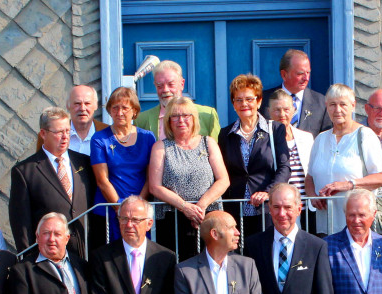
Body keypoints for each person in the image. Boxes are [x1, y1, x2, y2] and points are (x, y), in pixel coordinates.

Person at [147, 97, 229, 260]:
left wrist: (200, 206)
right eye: (175, 116)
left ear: (194, 119)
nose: (181, 120)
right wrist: (185, 207)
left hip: (208, 216)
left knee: (211, 263)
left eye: (186, 115)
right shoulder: (160, 147)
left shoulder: (209, 143)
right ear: (169, 121)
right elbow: (154, 186)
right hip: (173, 218)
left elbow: (223, 179)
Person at [305, 84, 382, 237]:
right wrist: (313, 197)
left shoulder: (365, 136)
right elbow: (309, 177)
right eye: (332, 105)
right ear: (326, 107)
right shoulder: (321, 139)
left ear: (353, 105)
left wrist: (349, 184)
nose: (337, 110)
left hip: (356, 226)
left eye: (343, 104)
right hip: (324, 224)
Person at [10, 107, 95, 258]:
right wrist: (30, 258)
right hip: (48, 254)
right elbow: (21, 222)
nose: (65, 137)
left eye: (68, 131)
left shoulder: (85, 163)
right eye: (58, 132)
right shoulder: (25, 171)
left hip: (86, 251)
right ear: (43, 133)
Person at [218, 74, 290, 238]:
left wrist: (269, 192)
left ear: (258, 101)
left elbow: (284, 167)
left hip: (265, 209)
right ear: (233, 104)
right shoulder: (225, 134)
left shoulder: (275, 129)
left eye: (249, 99)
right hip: (235, 210)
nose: (244, 104)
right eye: (238, 99)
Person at [90, 87, 156, 247]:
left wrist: (137, 208)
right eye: (115, 107)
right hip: (109, 211)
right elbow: (102, 180)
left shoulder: (147, 138)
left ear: (134, 111)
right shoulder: (100, 138)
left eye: (125, 108)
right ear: (109, 111)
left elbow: (150, 178)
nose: (119, 112)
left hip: (140, 212)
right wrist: (121, 210)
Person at [135, 60, 220, 141]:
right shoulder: (141, 120)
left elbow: (218, 151)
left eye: (171, 84)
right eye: (159, 86)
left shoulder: (208, 116)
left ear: (182, 84)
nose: (165, 90)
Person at [266, 89, 315, 230]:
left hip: (306, 206)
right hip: (282, 208)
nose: (282, 114)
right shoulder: (264, 139)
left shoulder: (306, 137)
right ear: (269, 111)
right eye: (277, 110)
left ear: (294, 109)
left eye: (286, 109)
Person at [259, 49, 331, 137]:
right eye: (300, 73)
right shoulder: (263, 100)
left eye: (308, 73)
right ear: (284, 75)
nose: (306, 78)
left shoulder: (321, 103)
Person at [35, 85, 108, 155]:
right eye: (77, 103)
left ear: (96, 105)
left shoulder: (110, 134)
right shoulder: (48, 135)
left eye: (87, 103)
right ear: (68, 105)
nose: (82, 108)